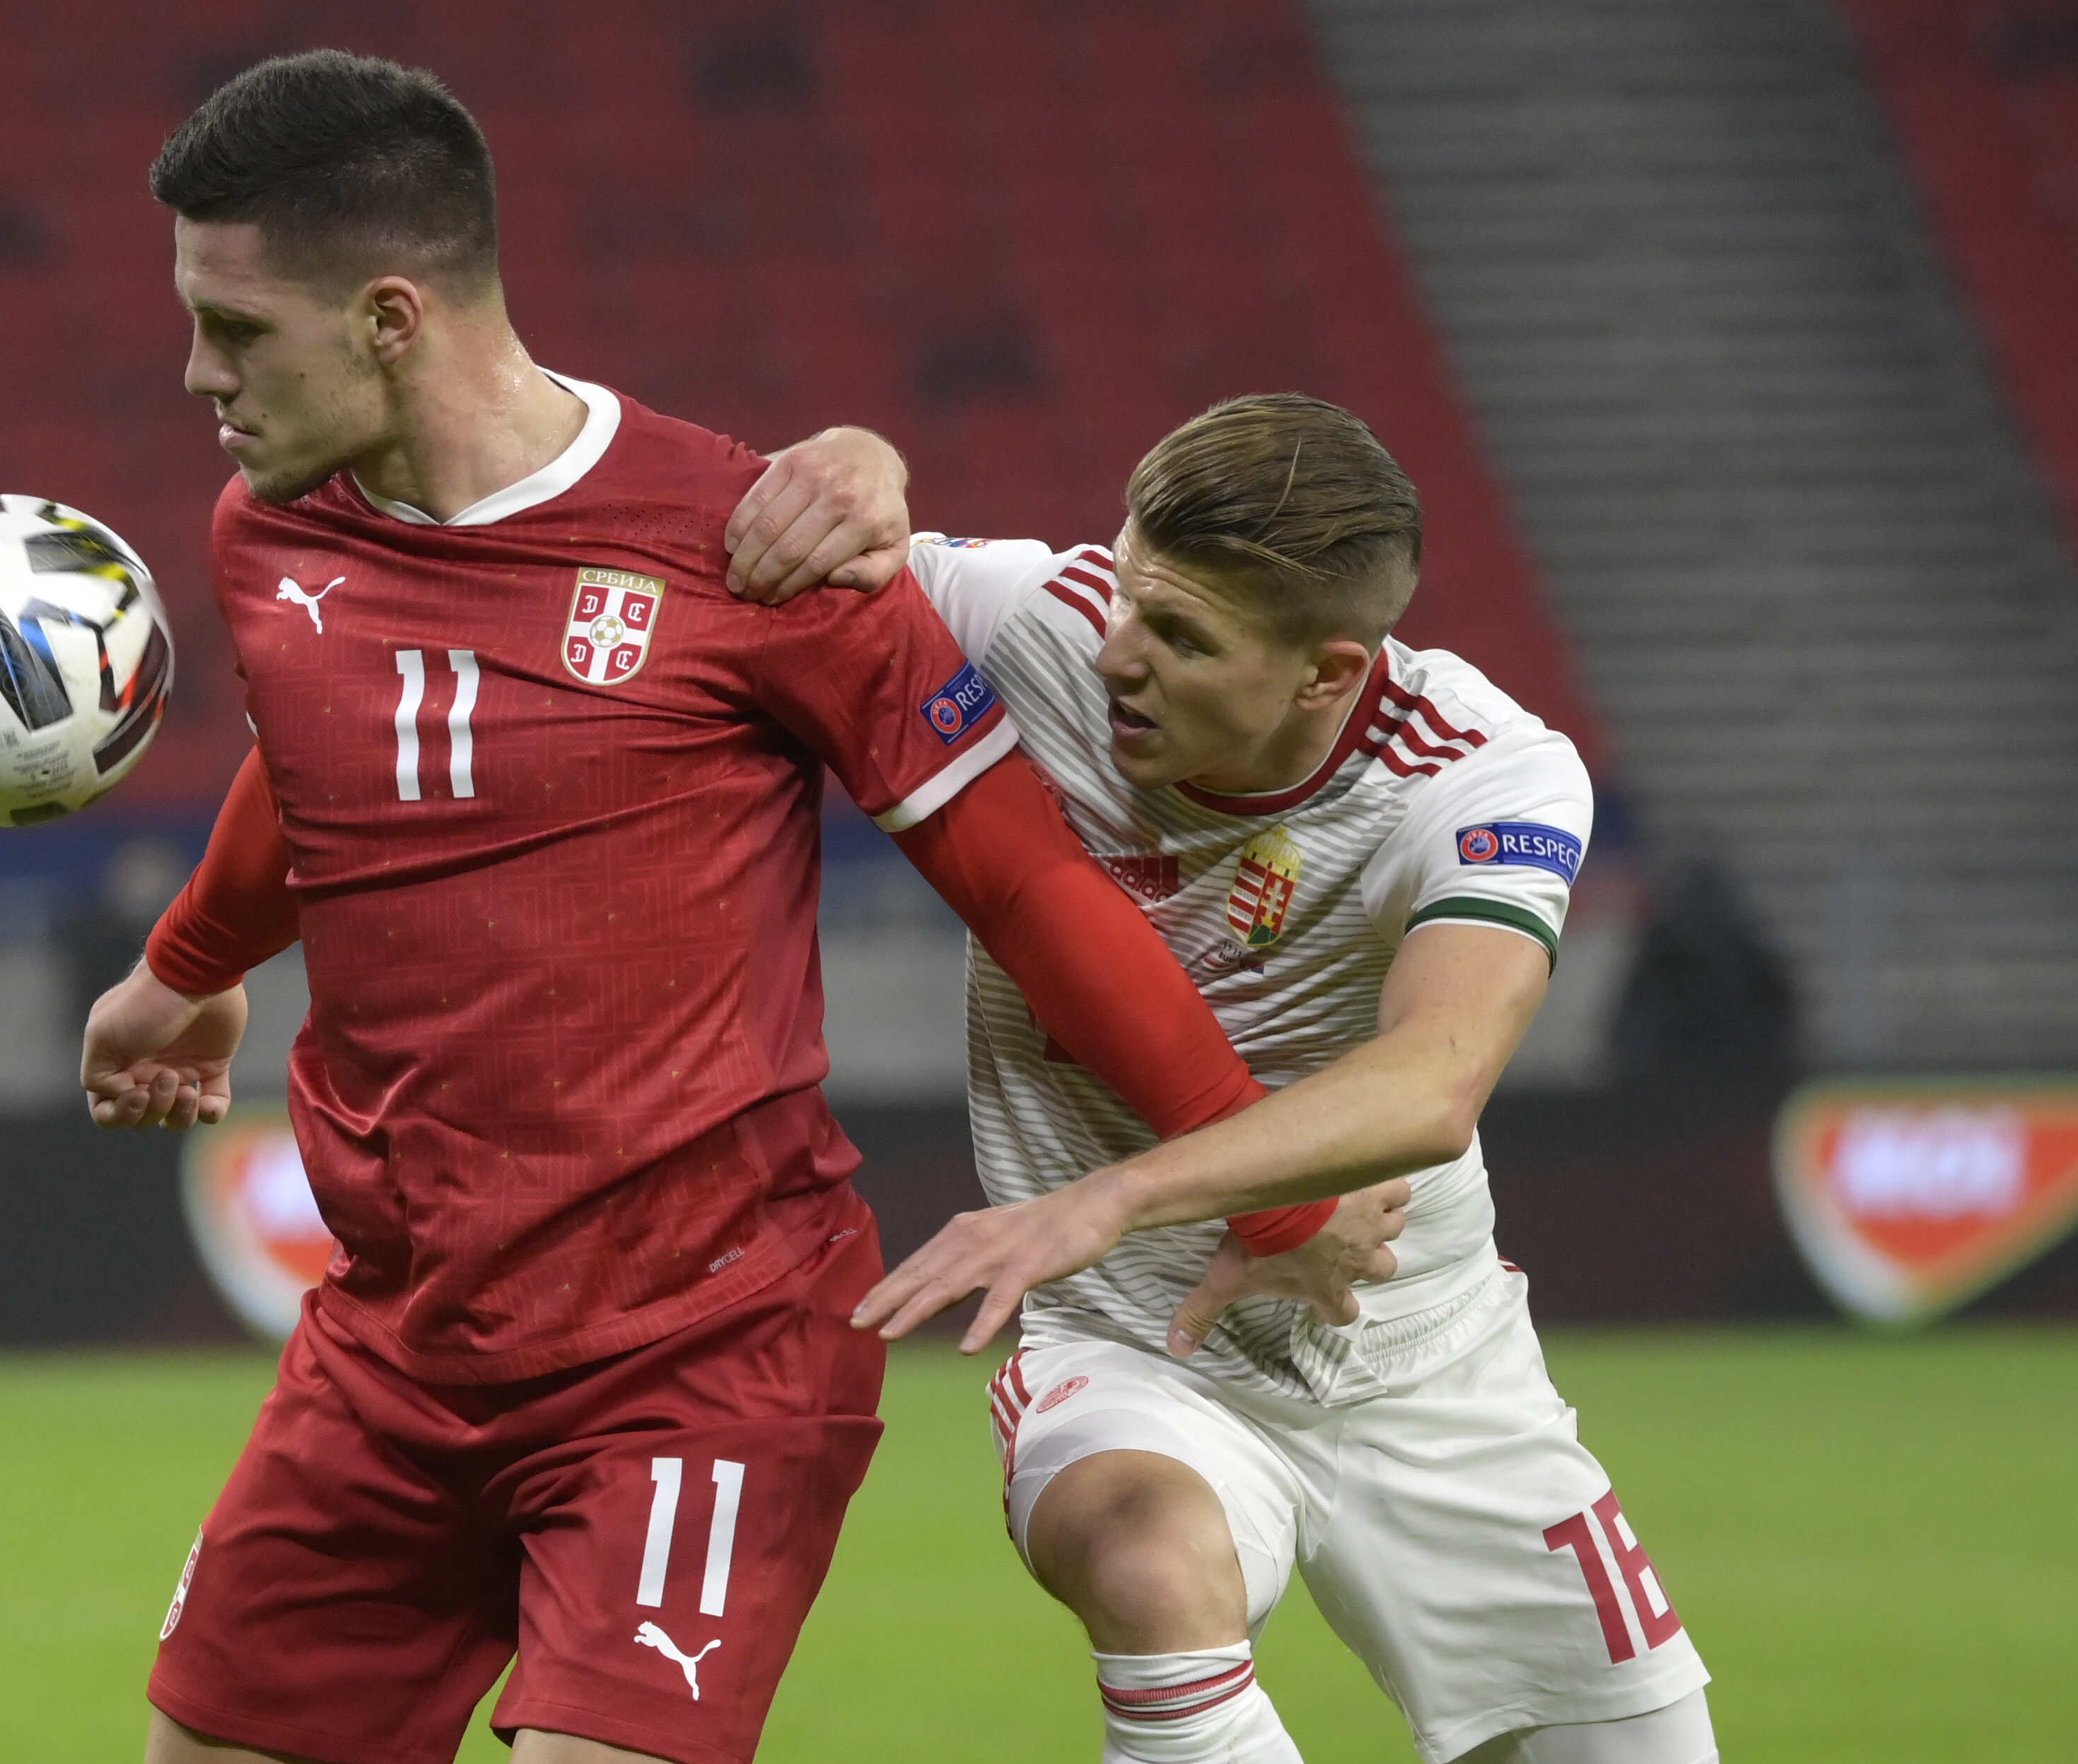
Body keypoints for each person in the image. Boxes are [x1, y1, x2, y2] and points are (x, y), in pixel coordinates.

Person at [77, 53, 1387, 1764]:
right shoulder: (269, 539)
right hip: (397, 1344)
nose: (199, 378)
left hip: (696, 1351)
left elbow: (1025, 880)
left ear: (392, 314)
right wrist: (188, 968)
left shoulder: (753, 553)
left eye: (236, 329)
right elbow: (321, 764)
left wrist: (1270, 1186)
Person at [734, 396, 1715, 1763]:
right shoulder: (1040, 622)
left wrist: (1108, 1195)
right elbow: (774, 533)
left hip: (1423, 1357)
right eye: (1132, 594)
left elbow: (1434, 1078)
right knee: (1146, 1559)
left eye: (1182, 638)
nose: (1119, 656)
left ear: (1327, 673)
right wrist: (862, 459)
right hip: (1138, 1344)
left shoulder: (1480, 770)